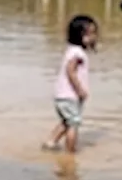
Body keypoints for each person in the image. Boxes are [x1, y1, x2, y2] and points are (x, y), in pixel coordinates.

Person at [42, 14, 98, 153]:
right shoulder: (77, 54)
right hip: (70, 96)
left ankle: (51, 142)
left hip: (62, 96)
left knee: (67, 122)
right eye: (91, 34)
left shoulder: (71, 50)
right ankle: (70, 152)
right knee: (73, 124)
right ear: (81, 36)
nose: (94, 37)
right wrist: (80, 90)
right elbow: (70, 71)